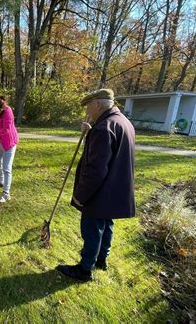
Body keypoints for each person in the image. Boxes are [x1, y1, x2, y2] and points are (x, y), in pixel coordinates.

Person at [56, 89, 136, 282]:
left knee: (91, 228)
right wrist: (89, 133)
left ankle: (85, 269)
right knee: (106, 225)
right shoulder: (123, 122)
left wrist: (80, 195)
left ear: (99, 104)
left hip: (100, 191)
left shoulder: (103, 128)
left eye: (89, 107)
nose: (87, 111)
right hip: (114, 189)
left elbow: (96, 169)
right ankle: (101, 259)